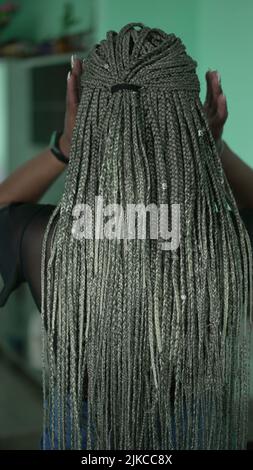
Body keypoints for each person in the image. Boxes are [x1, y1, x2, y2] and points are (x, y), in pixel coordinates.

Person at [0, 23, 252, 450]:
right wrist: (213, 150)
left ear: (90, 120)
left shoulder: (45, 239)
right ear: (188, 123)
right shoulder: (228, 243)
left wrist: (64, 145)